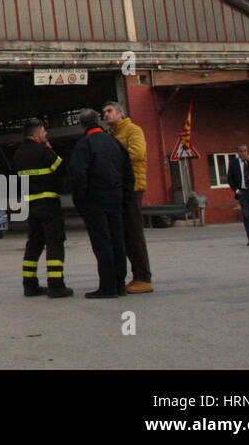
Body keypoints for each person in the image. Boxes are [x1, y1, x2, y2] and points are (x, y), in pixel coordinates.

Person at [67, 108, 134, 298]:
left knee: (102, 243)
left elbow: (78, 176)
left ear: (82, 125)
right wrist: (126, 196)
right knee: (117, 241)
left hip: (95, 200)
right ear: (99, 122)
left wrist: (80, 202)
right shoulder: (115, 143)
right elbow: (128, 172)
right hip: (116, 197)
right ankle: (120, 284)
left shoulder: (83, 146)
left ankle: (107, 286)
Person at [15, 118, 73, 298]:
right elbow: (63, 170)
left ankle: (29, 285)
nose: (46, 134)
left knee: (33, 245)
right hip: (49, 205)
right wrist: (49, 148)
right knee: (54, 243)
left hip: (30, 207)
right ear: (37, 132)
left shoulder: (18, 155)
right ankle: (56, 285)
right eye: (44, 131)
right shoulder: (44, 152)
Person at [103, 101, 153, 293]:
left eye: (109, 111)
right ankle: (136, 276)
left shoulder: (133, 130)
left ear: (120, 113)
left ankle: (143, 278)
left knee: (134, 233)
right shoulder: (113, 134)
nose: (106, 115)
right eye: (104, 112)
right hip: (120, 188)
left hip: (133, 187)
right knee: (124, 234)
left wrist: (111, 161)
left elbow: (138, 153)